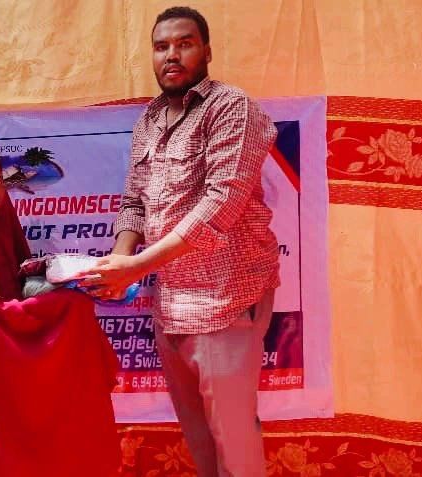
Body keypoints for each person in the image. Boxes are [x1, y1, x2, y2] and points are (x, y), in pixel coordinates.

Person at [82, 6, 280, 477]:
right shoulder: (149, 120)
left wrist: (136, 267)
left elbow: (220, 206)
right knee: (199, 439)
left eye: (184, 44)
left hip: (226, 301)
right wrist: (118, 262)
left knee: (235, 444)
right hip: (169, 304)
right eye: (161, 46)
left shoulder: (231, 108)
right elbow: (135, 201)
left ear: (206, 52)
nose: (171, 55)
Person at [0, 137, 120, 477]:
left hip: (15, 356)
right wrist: (64, 306)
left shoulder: (1, 219)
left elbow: (18, 285)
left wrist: (55, 282)